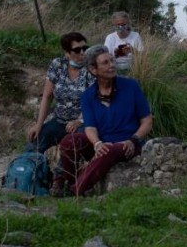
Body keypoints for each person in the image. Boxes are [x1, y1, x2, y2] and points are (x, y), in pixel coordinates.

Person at [52, 45, 153, 197]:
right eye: (105, 62)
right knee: (69, 141)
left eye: (112, 61)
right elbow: (90, 127)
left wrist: (133, 140)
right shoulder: (88, 96)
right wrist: (97, 144)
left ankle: (74, 191)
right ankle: (67, 180)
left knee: (109, 151)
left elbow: (147, 121)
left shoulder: (131, 86)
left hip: (127, 144)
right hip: (103, 142)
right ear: (94, 70)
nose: (112, 65)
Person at [26, 31, 95, 153]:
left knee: (71, 149)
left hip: (83, 122)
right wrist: (39, 124)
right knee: (34, 144)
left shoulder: (91, 68)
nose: (83, 53)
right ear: (67, 53)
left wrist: (80, 121)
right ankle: (26, 169)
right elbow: (47, 97)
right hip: (59, 120)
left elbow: (95, 101)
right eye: (77, 50)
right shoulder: (58, 64)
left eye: (85, 48)